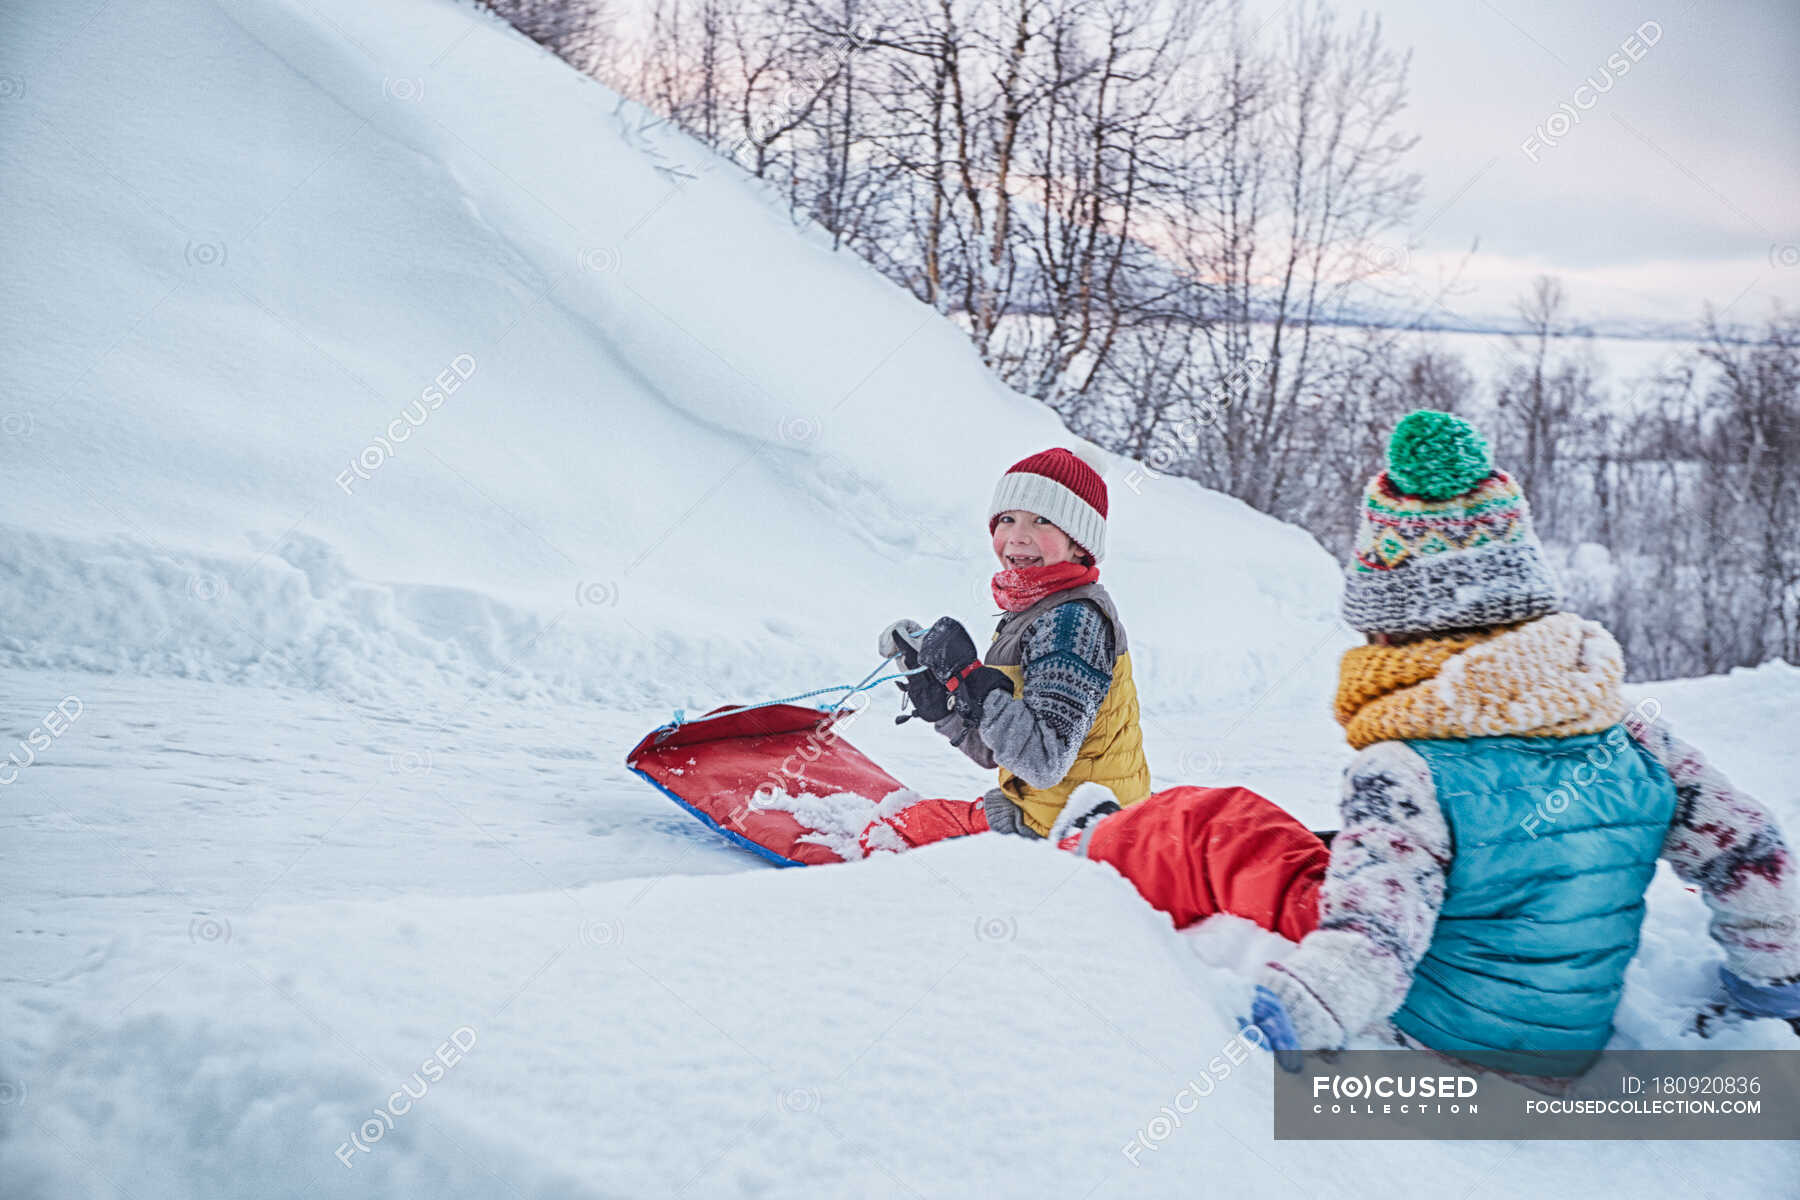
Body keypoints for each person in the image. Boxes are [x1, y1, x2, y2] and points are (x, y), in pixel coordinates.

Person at [1238, 410, 1800, 1078]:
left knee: (1242, 836)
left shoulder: (1401, 768)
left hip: (1439, 1039)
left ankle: (1107, 843)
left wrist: (1300, 1012)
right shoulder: (1634, 734)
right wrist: (1773, 986)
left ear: (1392, 629)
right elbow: (1751, 851)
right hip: (1572, 1041)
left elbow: (1375, 931)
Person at [866, 447, 1331, 943]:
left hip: (1073, 838)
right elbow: (995, 752)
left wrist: (969, 678)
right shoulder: (1037, 612)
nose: (1017, 537)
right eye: (1007, 518)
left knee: (893, 833)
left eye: (1042, 519)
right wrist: (944, 700)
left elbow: (1042, 760)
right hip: (1043, 813)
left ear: (1078, 540)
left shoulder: (1071, 622)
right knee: (906, 825)